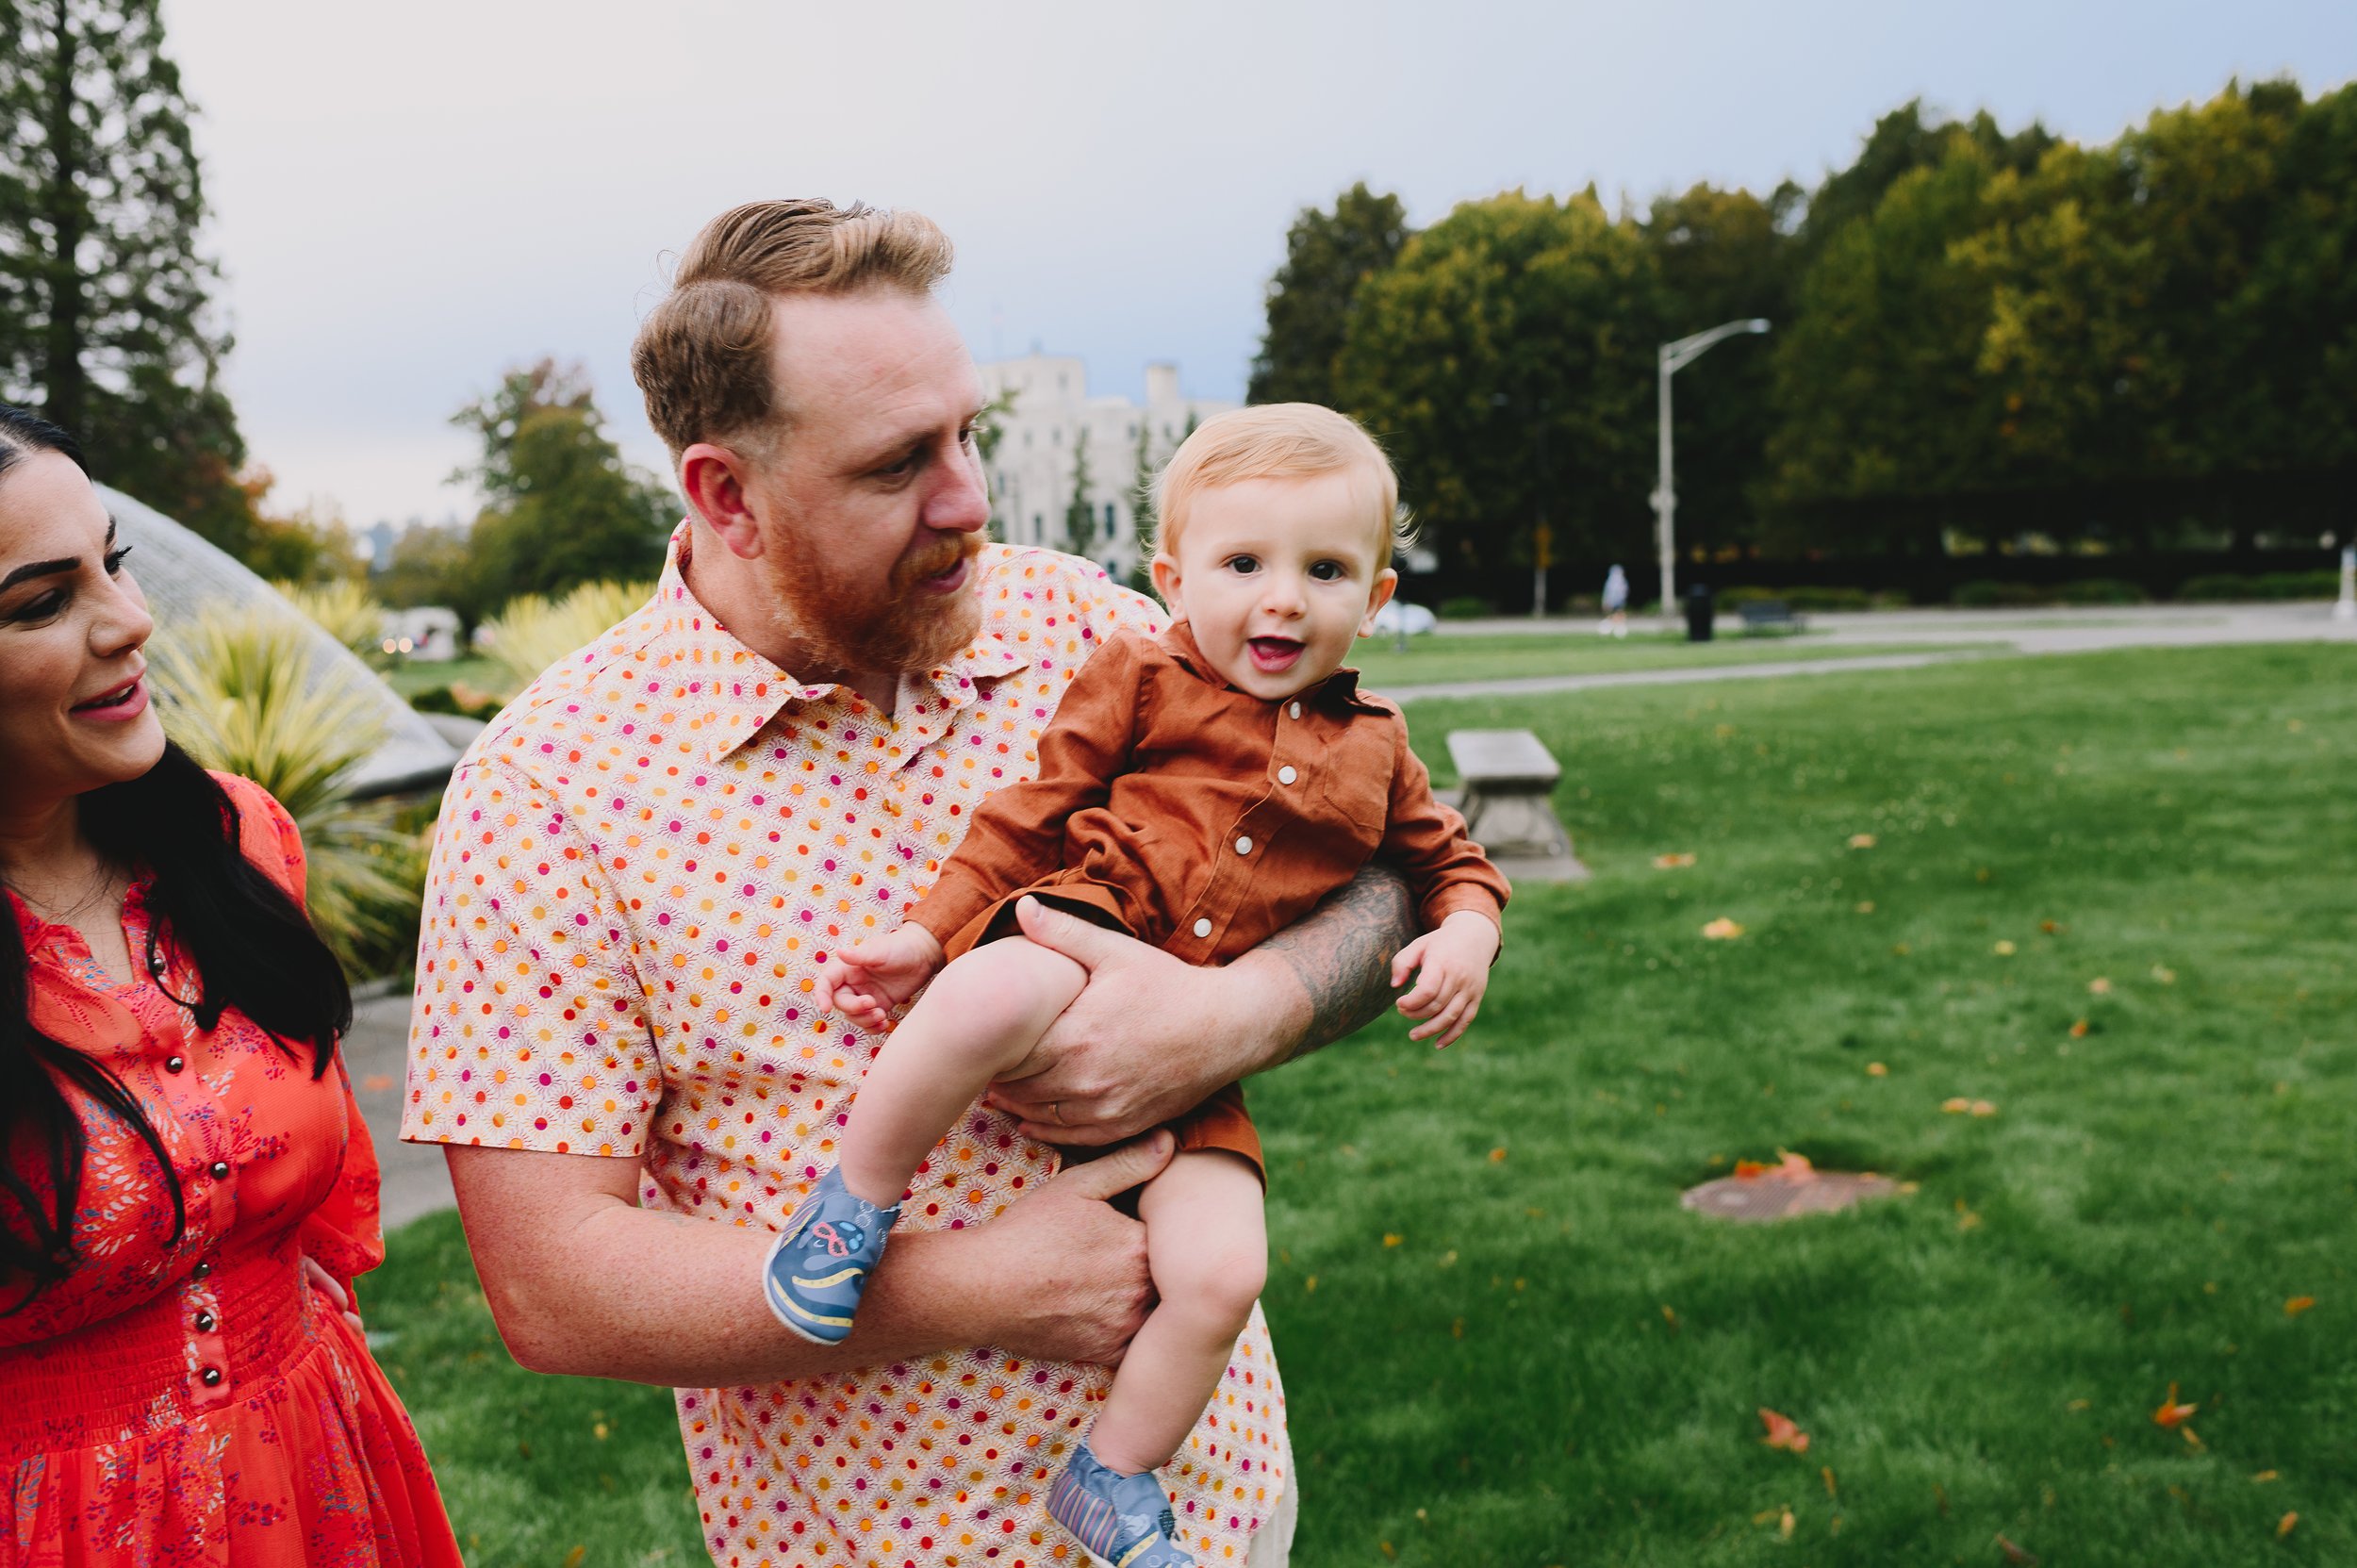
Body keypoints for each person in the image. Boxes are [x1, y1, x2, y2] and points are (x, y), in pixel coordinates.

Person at [403, 200, 1423, 1568]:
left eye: (970, 434)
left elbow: (1401, 866)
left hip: (1224, 1512)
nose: (971, 500)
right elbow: (552, 1281)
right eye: (899, 464)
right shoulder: (547, 791)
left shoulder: (1099, 630)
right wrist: (972, 1286)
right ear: (726, 495)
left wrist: (1240, 1016)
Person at [797, 404, 1509, 1566]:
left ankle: (1112, 1474)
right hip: (1080, 927)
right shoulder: (1139, 667)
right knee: (978, 998)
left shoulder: (1378, 745)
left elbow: (1446, 863)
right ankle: (851, 1209)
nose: (1281, 598)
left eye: (1323, 570)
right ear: (1175, 579)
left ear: (1375, 598)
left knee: (1226, 1270)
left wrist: (1468, 933)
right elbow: (1029, 813)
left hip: (1193, 1067)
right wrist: (930, 938)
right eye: (1243, 564)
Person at [0, 405, 462, 1564]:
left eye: (115, 563)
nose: (133, 622)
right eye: (44, 601)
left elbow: (329, 1228)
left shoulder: (239, 845)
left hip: (321, 1476)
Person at [1600, 563, 1629, 638]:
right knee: (1614, 614)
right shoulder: (1612, 581)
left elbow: (1624, 591)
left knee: (1618, 614)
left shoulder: (1621, 581)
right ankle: (1611, 627)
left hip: (1619, 601)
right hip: (1613, 601)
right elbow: (1608, 592)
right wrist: (1607, 601)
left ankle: (1618, 628)